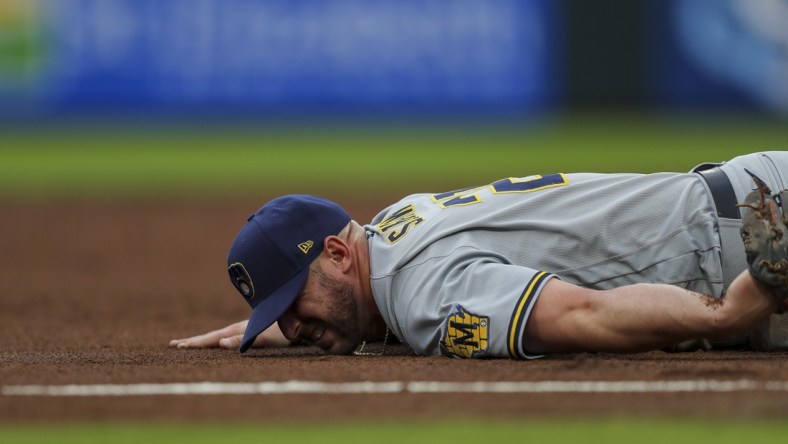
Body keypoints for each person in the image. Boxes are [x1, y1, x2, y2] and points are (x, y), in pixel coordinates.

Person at [170, 151, 788, 358]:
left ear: (335, 253)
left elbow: (580, 316)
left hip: (761, 251)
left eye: (292, 303)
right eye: (281, 316)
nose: (294, 324)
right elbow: (384, 295)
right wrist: (308, 323)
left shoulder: (418, 291)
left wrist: (723, 315)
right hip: (756, 198)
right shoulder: (390, 226)